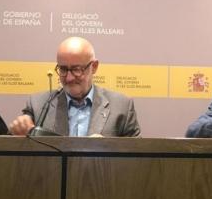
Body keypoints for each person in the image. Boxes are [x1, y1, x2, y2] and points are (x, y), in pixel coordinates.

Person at [9, 37, 141, 137]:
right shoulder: (38, 104)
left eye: (77, 69)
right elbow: (14, 148)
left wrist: (108, 149)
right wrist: (19, 129)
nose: (69, 78)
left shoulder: (121, 106)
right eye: (63, 69)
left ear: (94, 67)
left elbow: (137, 157)